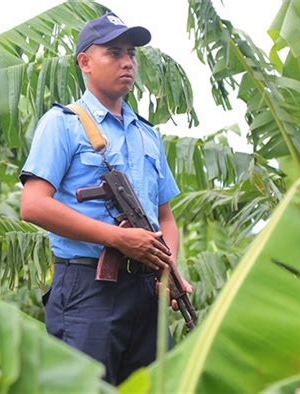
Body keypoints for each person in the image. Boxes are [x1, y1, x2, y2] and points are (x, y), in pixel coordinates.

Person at [20, 12, 192, 385]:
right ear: (84, 62)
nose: (127, 62)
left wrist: (169, 265)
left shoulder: (148, 135)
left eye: (131, 53)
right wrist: (117, 238)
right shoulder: (63, 123)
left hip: (146, 291)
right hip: (88, 289)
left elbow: (165, 218)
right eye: (114, 52)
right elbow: (33, 204)